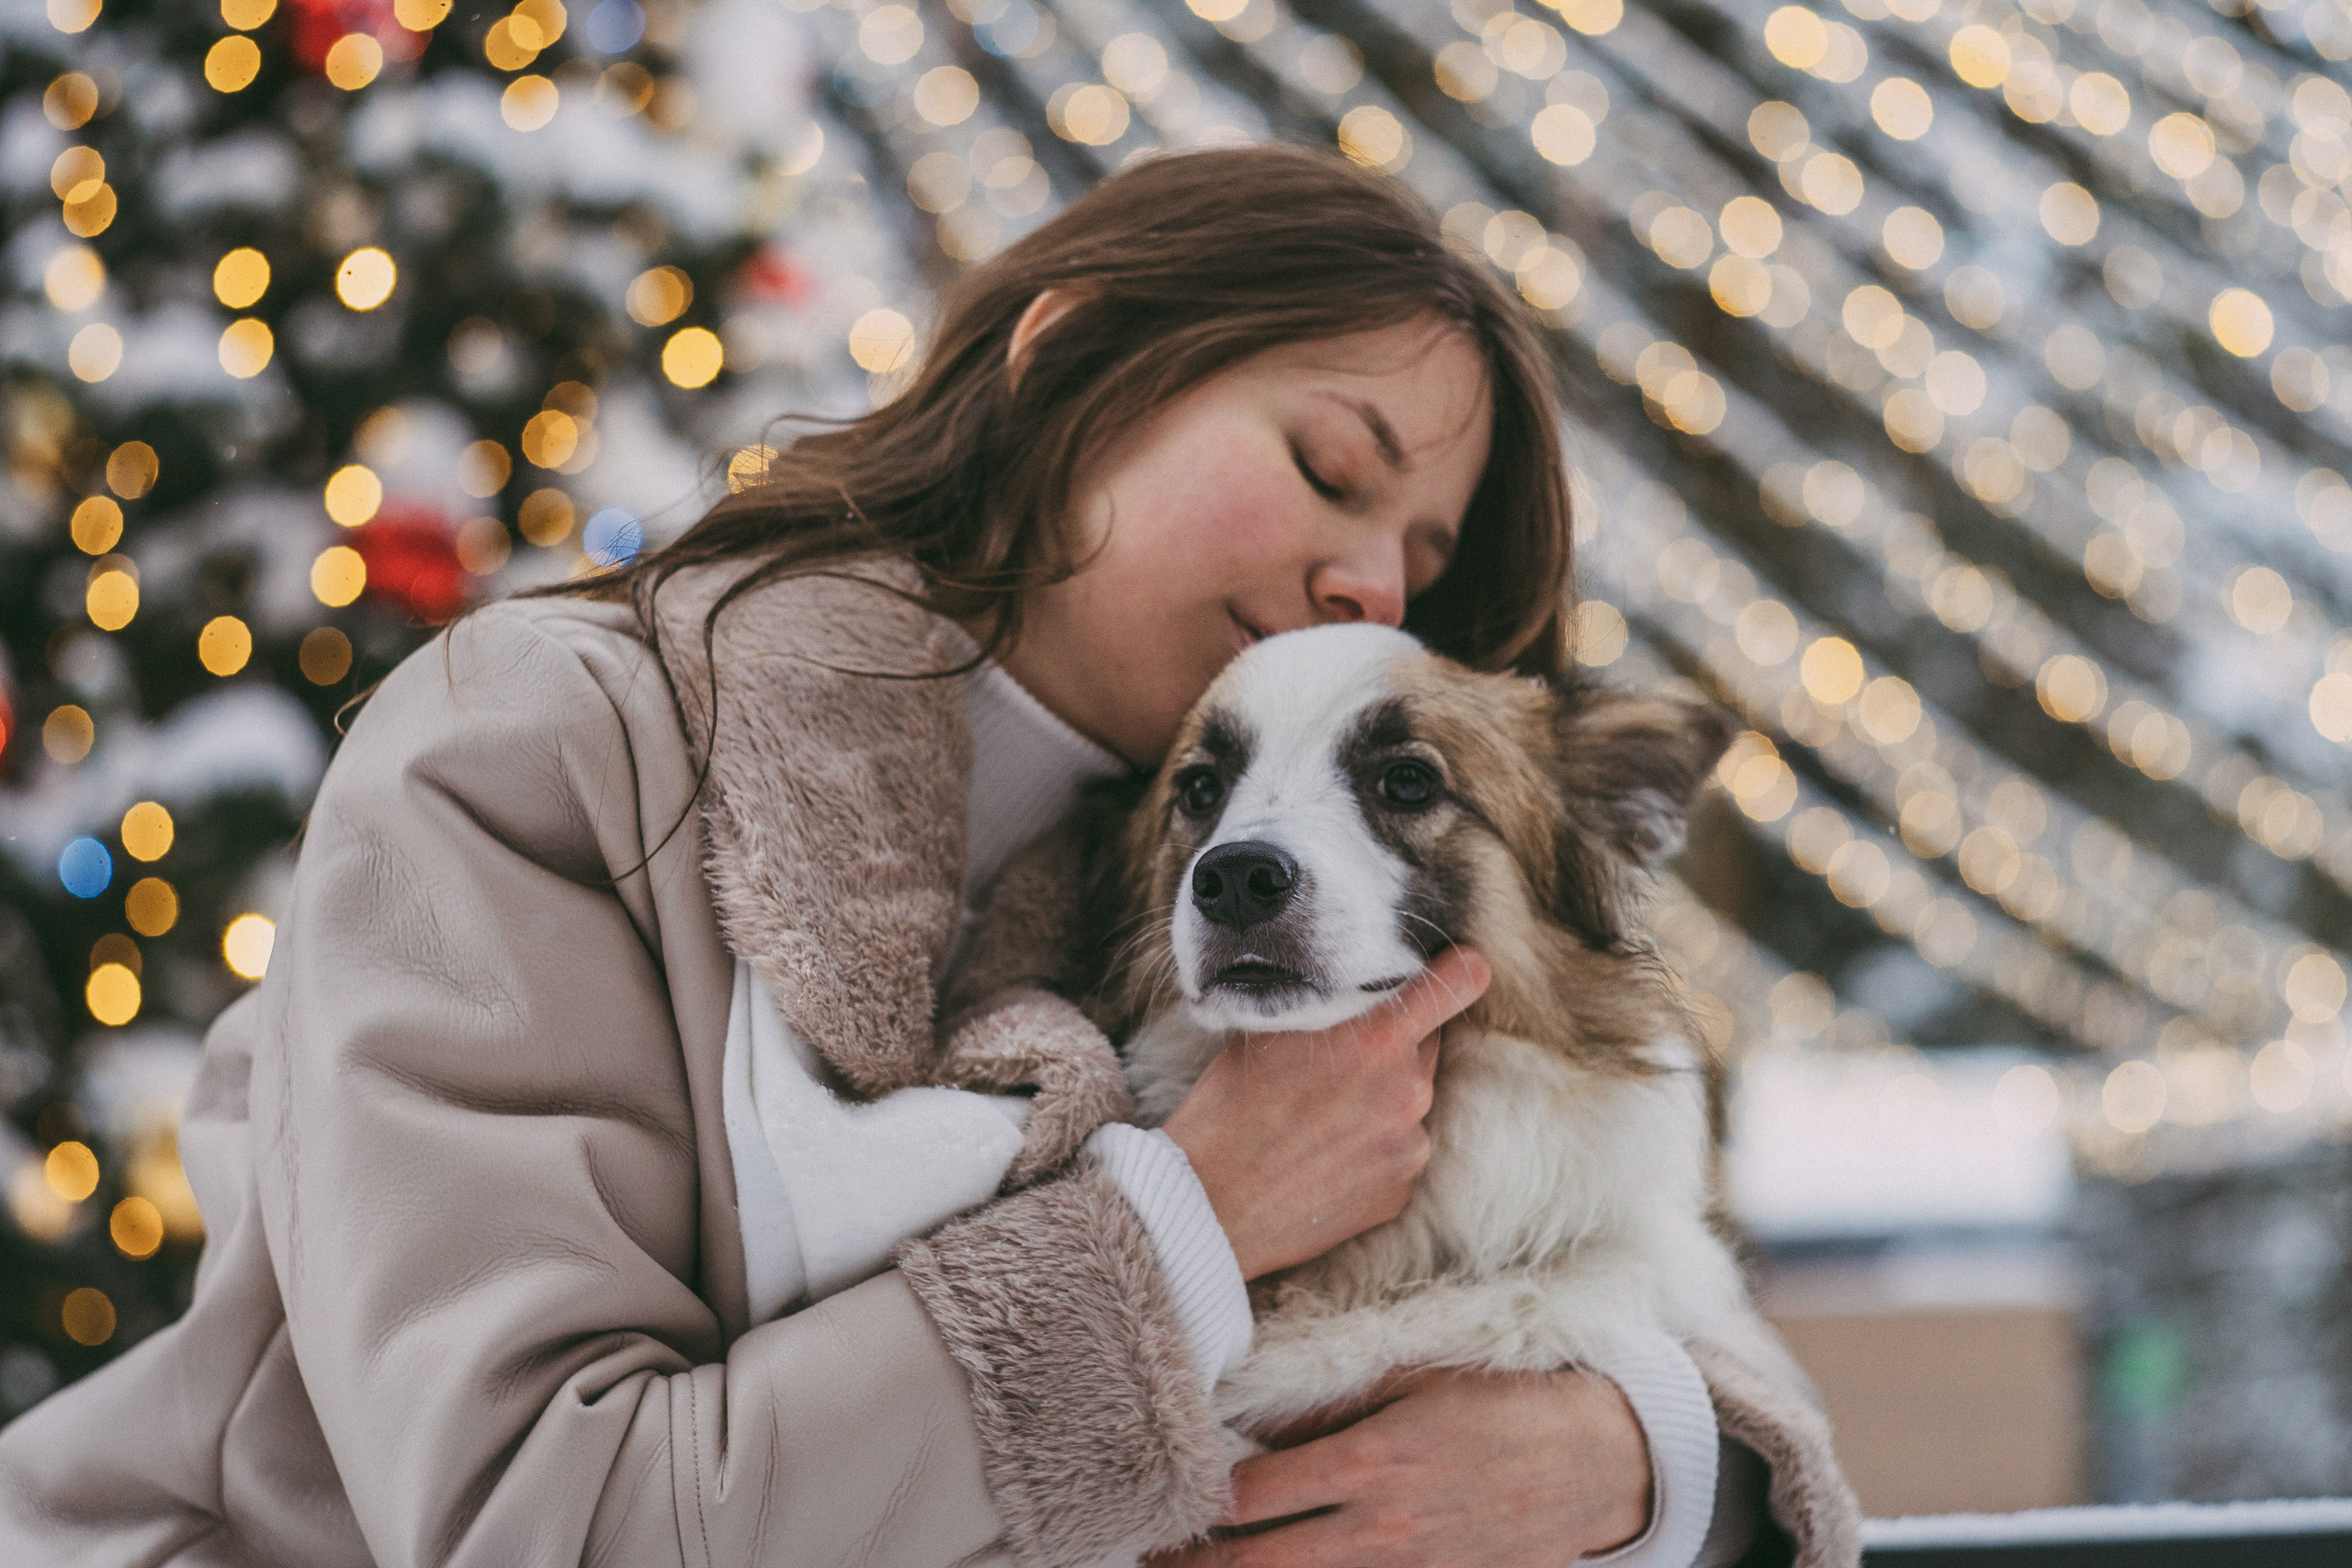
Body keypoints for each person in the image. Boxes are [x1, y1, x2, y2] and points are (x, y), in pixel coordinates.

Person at [0, 143, 1857, 1568]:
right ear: (1072, 369)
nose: (1366, 582)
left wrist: (1637, 1455)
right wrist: (1178, 1224)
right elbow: (530, 1517)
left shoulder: (1211, 892)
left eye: (1419, 560)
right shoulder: (542, 749)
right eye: (1327, 463)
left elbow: (1601, 1262)